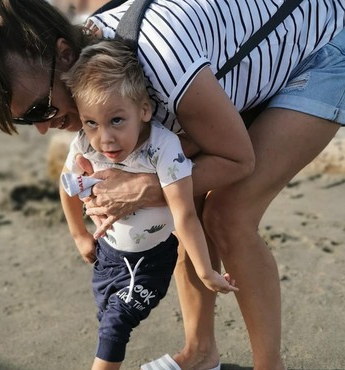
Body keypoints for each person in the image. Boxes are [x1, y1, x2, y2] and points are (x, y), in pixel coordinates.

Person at [0, 0, 345, 369]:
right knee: (187, 200)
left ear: (66, 52)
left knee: (227, 213)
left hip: (320, 53)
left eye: (40, 108)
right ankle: (201, 353)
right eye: (24, 120)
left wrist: (146, 188)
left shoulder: (156, 59)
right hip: (241, 67)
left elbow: (237, 159)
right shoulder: (99, 65)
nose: (41, 129)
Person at [59, 39, 237, 370]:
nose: (105, 138)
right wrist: (78, 234)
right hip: (107, 257)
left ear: (144, 109)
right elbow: (67, 185)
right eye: (91, 122)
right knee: (106, 317)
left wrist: (205, 270)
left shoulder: (164, 148)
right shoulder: (85, 145)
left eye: (116, 120)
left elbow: (185, 215)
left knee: (115, 327)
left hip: (149, 261)